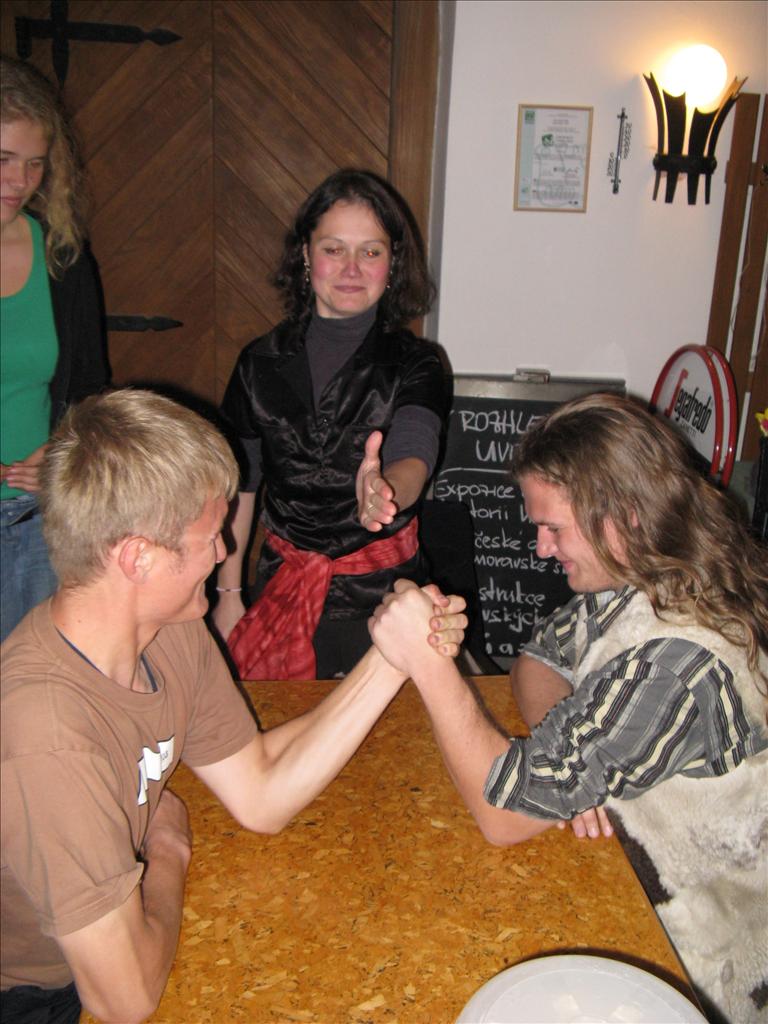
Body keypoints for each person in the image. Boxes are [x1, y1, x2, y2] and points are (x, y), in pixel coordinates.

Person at [0, 388, 467, 1024]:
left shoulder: (167, 628)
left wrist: (393, 658)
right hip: (35, 992)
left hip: (109, 951)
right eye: (208, 536)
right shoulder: (47, 734)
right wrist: (168, 849)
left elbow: (259, 791)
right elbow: (124, 1000)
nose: (224, 552)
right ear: (137, 557)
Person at [370, 393, 768, 1024]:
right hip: (627, 887)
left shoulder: (676, 664)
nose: (540, 549)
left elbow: (504, 815)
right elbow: (537, 661)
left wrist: (429, 661)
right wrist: (574, 757)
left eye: (554, 528)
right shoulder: (650, 573)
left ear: (624, 516)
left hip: (694, 970)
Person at [213, 168, 448, 680]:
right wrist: (228, 594)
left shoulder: (417, 363)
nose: (351, 268)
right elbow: (241, 485)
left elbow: (415, 450)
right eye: (334, 249)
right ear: (305, 254)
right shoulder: (258, 362)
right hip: (280, 589)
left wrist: (385, 490)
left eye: (371, 251)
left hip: (387, 600)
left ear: (393, 262)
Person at [0, 55, 109, 643]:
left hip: (35, 520)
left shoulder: (61, 256)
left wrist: (62, 447)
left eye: (34, 164)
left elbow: (90, 387)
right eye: (3, 159)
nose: (19, 182)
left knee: (33, 682)